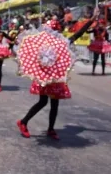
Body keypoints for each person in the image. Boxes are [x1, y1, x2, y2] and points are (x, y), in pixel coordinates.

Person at [17, 9, 99, 140]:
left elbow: (78, 33)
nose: (55, 34)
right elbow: (30, 53)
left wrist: (92, 19)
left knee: (55, 104)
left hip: (56, 78)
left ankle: (51, 129)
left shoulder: (62, 43)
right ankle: (23, 122)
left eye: (56, 32)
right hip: (44, 77)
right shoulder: (40, 42)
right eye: (53, 31)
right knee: (43, 102)